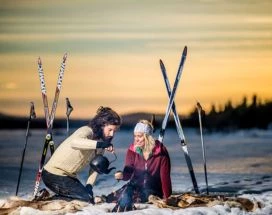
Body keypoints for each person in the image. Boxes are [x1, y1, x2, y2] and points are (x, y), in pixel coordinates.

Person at [41, 106, 122, 203]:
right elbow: (75, 142)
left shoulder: (100, 145)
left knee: (89, 199)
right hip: (53, 173)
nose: (112, 134)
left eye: (114, 131)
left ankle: (46, 195)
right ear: (102, 125)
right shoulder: (86, 131)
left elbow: (96, 167)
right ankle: (45, 201)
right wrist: (100, 144)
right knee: (84, 199)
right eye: (110, 130)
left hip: (68, 176)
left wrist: (89, 185)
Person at [111, 119, 172, 212]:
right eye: (135, 136)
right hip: (135, 188)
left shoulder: (161, 152)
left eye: (139, 136)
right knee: (120, 195)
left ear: (148, 137)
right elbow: (128, 172)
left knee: (144, 195)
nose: (136, 139)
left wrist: (167, 197)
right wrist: (122, 175)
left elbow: (165, 177)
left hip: (153, 190)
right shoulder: (132, 150)